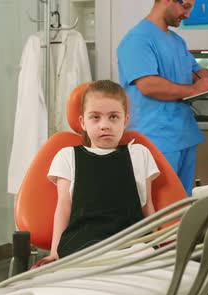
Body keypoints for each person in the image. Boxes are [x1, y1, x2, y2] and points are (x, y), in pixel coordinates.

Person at [116, 0, 208, 196]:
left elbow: (200, 75)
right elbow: (148, 84)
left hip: (182, 135)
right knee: (158, 208)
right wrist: (192, 90)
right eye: (185, 6)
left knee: (182, 203)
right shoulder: (137, 39)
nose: (187, 15)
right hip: (155, 137)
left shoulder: (177, 42)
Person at [34, 80, 160, 267]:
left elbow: (147, 206)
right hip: (83, 245)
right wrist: (54, 253)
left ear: (125, 120)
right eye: (95, 117)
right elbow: (64, 208)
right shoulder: (67, 156)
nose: (104, 125)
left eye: (113, 117)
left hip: (131, 243)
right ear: (83, 122)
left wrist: (156, 244)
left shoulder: (140, 154)